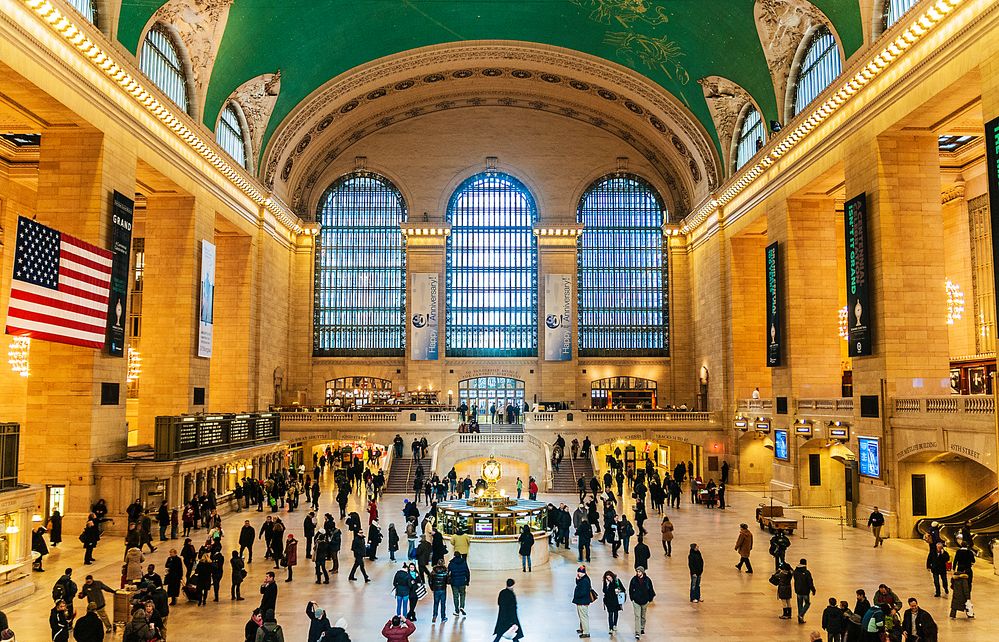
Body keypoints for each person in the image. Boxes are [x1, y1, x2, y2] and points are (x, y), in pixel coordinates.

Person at [793, 558, 817, 624]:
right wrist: (813, 590)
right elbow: (810, 582)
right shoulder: (807, 572)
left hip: (798, 590)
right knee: (807, 603)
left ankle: (800, 619)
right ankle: (801, 615)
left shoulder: (795, 571)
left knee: (799, 605)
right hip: (805, 591)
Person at [601, 570, 625, 635]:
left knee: (616, 613)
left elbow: (623, 589)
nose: (608, 579)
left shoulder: (617, 581)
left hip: (616, 601)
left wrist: (617, 590)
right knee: (610, 614)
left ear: (612, 576)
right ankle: (610, 628)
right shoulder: (606, 583)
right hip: (608, 601)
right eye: (607, 578)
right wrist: (605, 584)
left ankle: (615, 625)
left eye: (609, 577)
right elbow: (604, 591)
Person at [573, 565, 593, 638]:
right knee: (581, 616)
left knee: (583, 617)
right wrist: (577, 580)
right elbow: (579, 584)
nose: (578, 573)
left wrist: (577, 595)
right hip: (581, 601)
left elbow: (583, 592)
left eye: (579, 572)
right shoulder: (584, 579)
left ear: (583, 573)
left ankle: (586, 632)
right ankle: (582, 629)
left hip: (582, 601)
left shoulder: (585, 581)